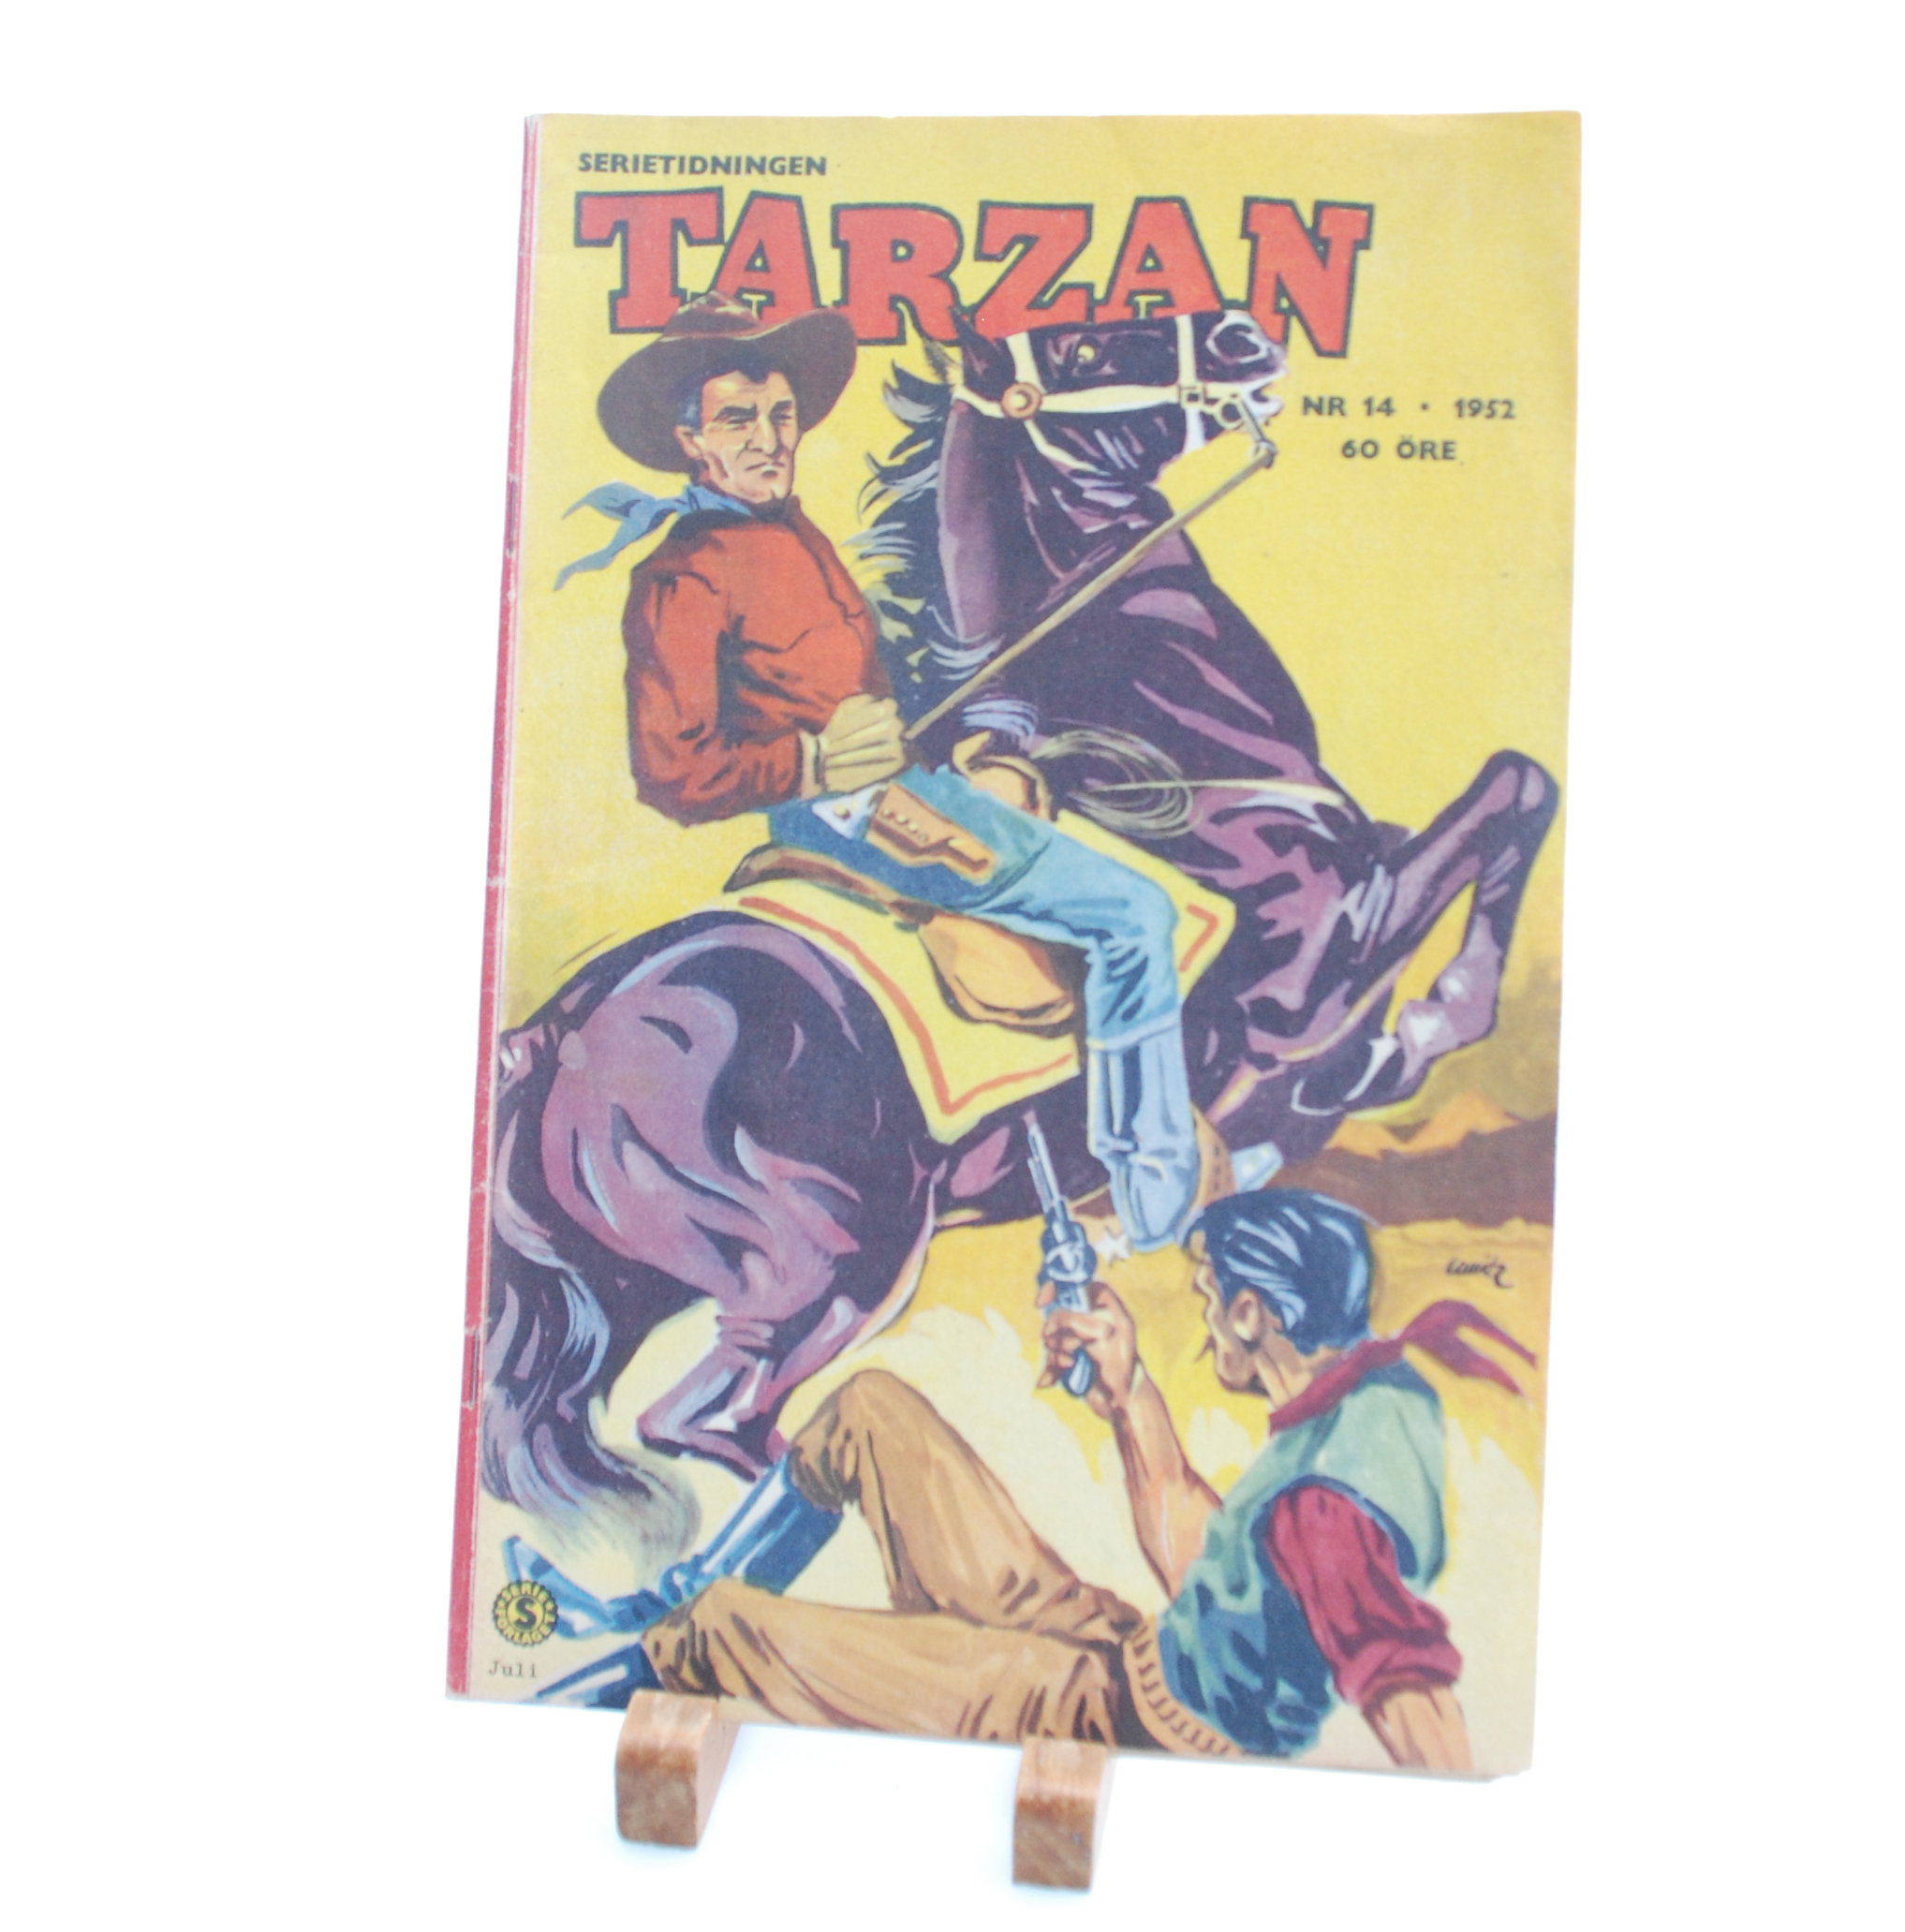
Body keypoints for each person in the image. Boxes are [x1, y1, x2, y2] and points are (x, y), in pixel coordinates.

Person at [556, 291, 1200, 1250]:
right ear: (691, 441)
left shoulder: (795, 532)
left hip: (903, 786)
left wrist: (956, 742)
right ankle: (1151, 1184)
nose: (770, 438)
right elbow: (671, 771)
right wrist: (811, 759)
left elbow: (861, 694)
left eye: (781, 414)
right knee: (1134, 915)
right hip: (848, 815)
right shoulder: (682, 576)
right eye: (738, 419)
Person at [520, 1189, 1532, 1768]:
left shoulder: (1326, 1508)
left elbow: (1409, 1692)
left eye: (1208, 1293)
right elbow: (1209, 1560)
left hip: (1110, 1718)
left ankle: (537, 1738)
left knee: (729, 1632)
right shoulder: (1361, 1402)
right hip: (1121, 1651)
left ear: (1253, 1312)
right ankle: (659, 1606)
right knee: (871, 1410)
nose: (1203, 1311)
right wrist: (1127, 1391)